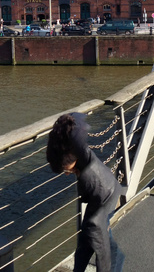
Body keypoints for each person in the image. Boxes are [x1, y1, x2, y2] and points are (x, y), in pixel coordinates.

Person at [48, 113, 122, 272]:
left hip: (104, 198)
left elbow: (102, 253)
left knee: (100, 246)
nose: (67, 174)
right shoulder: (79, 151)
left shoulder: (87, 177)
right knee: (87, 243)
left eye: (67, 170)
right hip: (104, 190)